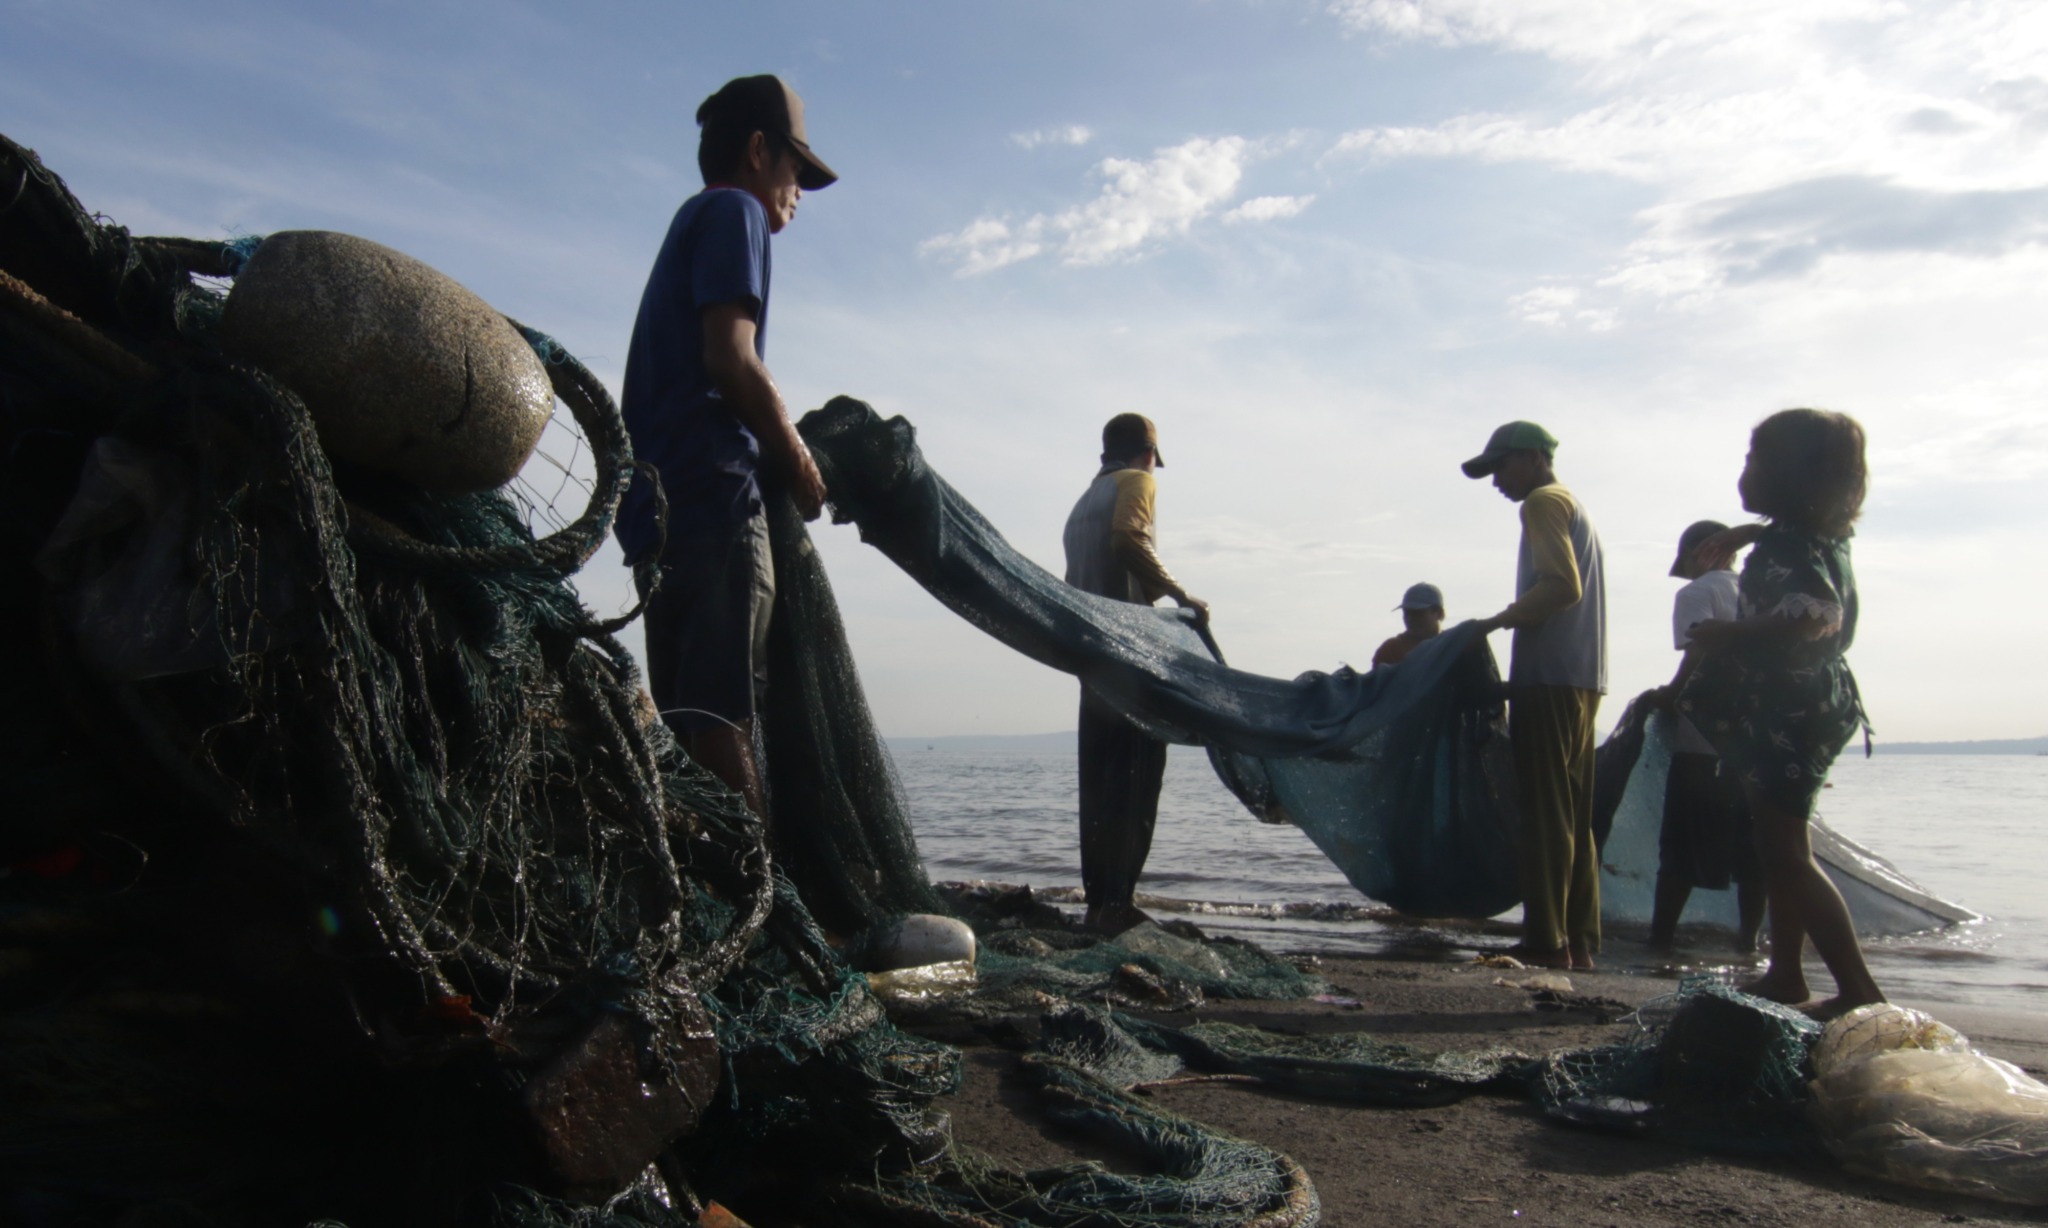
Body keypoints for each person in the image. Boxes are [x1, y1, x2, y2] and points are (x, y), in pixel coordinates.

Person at [614, 75, 837, 822]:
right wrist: (799, 460)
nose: (798, 190)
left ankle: (700, 900)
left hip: (655, 512)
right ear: (756, 151)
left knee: (683, 719)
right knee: (721, 712)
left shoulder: (690, 220)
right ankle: (759, 910)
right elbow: (732, 360)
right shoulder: (733, 210)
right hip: (714, 497)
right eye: (796, 170)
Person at [1677, 409, 1882, 1017]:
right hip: (1813, 706)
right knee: (1778, 847)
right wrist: (1749, 533)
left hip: (1791, 710)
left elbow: (1814, 615)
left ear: (1790, 473)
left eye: (1755, 458)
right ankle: (1786, 974)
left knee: (1787, 852)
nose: (1745, 469)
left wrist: (1726, 633)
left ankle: (1858, 992)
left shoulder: (1790, 543)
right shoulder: (1815, 535)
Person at [1464, 421, 1606, 971]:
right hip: (1585, 678)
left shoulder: (1543, 502)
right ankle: (1581, 942)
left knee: (1546, 814)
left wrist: (1495, 622)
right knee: (1573, 814)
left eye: (1499, 467)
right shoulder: (1574, 503)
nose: (1496, 481)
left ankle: (1547, 941)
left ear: (1531, 458)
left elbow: (1562, 586)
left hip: (1549, 678)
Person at [1063, 413, 1208, 933]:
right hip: (1132, 660)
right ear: (1148, 452)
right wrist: (1178, 593)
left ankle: (1099, 902)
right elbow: (1129, 540)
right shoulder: (1137, 482)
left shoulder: (1082, 504)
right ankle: (1118, 905)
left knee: (1099, 785)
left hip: (1092, 662)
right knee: (1136, 779)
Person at [1647, 519, 1766, 955]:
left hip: (1702, 742)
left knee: (1680, 848)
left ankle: (1660, 939)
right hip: (1755, 742)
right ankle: (1749, 943)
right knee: (1753, 854)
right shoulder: (1754, 591)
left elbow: (1698, 653)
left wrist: (1669, 697)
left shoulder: (1695, 594)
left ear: (1699, 552)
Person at [1372, 583, 1445, 667]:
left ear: (1439, 613)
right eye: (1407, 613)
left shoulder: (1452, 647)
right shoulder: (1391, 650)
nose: (1410, 619)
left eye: (1417, 613)